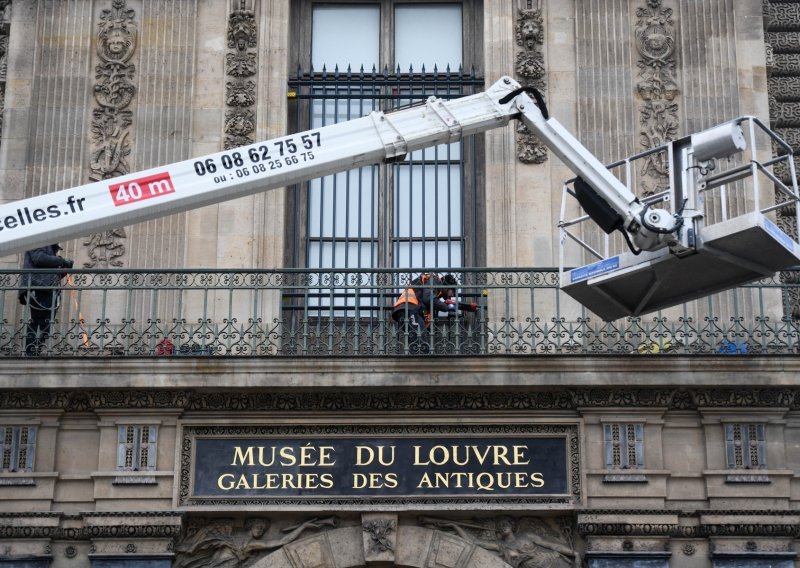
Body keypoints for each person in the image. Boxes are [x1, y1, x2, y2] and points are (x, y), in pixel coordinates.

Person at [19, 244, 73, 356]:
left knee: (46, 323)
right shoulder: (40, 239)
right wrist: (61, 260)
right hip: (38, 287)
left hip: (46, 287)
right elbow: (38, 258)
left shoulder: (49, 246)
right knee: (39, 321)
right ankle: (30, 352)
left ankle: (34, 350)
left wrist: (64, 269)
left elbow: (52, 274)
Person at [392, 273, 458, 354]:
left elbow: (424, 305)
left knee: (419, 343)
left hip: (410, 310)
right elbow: (428, 299)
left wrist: (427, 323)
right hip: (409, 309)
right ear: (447, 287)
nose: (453, 294)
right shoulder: (434, 280)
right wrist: (446, 307)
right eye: (453, 290)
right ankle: (418, 364)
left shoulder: (434, 291)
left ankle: (417, 362)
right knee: (420, 344)